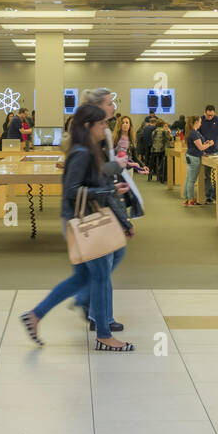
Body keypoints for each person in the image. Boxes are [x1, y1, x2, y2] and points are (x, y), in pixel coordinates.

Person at [18, 103, 134, 351]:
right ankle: (104, 335)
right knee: (100, 277)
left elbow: (93, 179)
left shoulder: (88, 149)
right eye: (102, 123)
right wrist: (108, 189)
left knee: (83, 277)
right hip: (87, 222)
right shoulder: (81, 151)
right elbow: (72, 190)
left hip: (84, 219)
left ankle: (35, 315)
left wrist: (111, 187)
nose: (106, 127)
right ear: (88, 125)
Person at [183, 114, 211, 206]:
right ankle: (191, 199)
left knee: (188, 179)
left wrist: (204, 143)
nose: (200, 123)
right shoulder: (194, 133)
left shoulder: (192, 132)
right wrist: (209, 144)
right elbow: (201, 147)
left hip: (190, 156)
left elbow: (197, 145)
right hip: (194, 158)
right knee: (191, 180)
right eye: (200, 122)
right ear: (196, 122)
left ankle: (186, 198)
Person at [149, 118, 170, 183]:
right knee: (163, 160)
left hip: (153, 150)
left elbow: (152, 139)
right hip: (161, 150)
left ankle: (150, 174)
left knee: (152, 162)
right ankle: (161, 174)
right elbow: (168, 139)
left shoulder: (154, 131)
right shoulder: (164, 131)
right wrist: (169, 133)